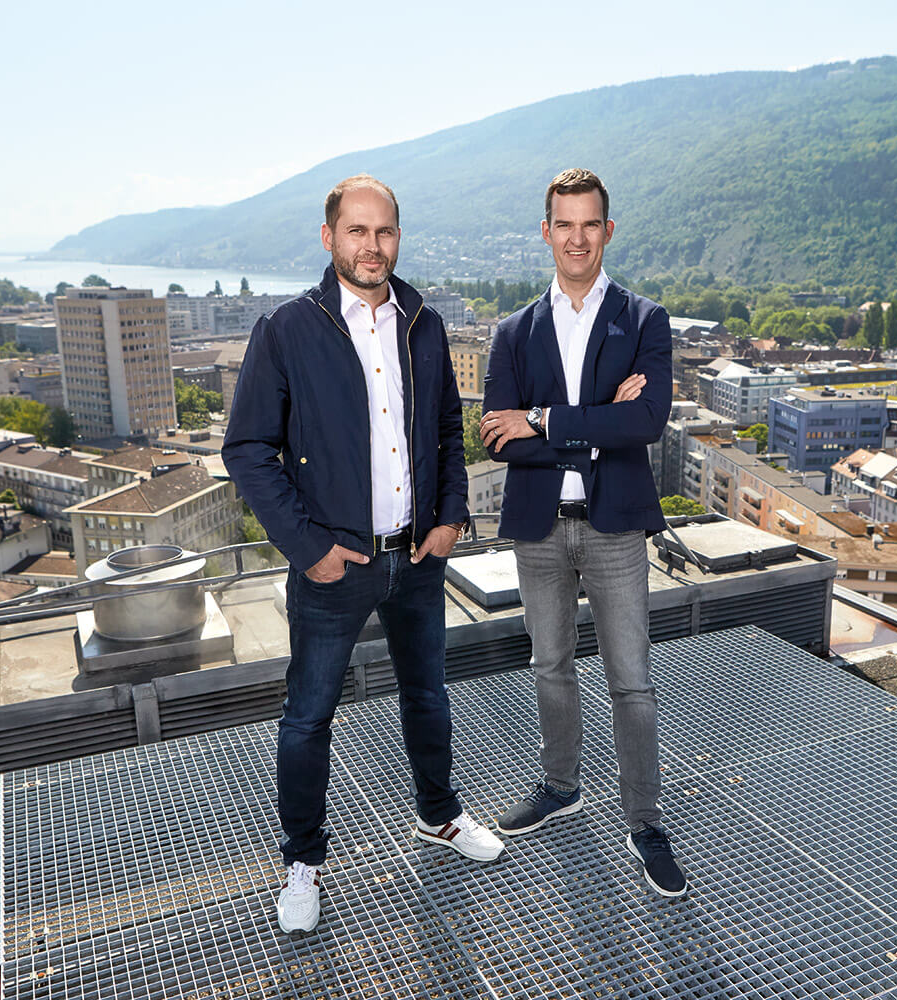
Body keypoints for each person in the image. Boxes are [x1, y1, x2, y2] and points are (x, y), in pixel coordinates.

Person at [223, 174, 503, 935]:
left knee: (429, 697)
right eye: (357, 231)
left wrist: (450, 519)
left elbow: (449, 428)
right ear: (329, 238)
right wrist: (309, 548)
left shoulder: (425, 322)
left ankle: (438, 816)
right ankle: (304, 865)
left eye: (384, 232)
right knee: (308, 718)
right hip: (334, 565)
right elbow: (247, 449)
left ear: (398, 238)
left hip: (416, 558)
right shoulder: (286, 329)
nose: (371, 245)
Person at [479, 168, 686, 897]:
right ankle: (561, 786)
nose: (576, 238)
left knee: (632, 682)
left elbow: (647, 423)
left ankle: (645, 821)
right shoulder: (512, 333)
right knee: (550, 669)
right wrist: (599, 422)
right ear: (546, 231)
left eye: (589, 224)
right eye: (563, 224)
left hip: (615, 530)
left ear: (608, 230)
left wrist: (544, 419)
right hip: (540, 529)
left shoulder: (646, 320)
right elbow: (496, 441)